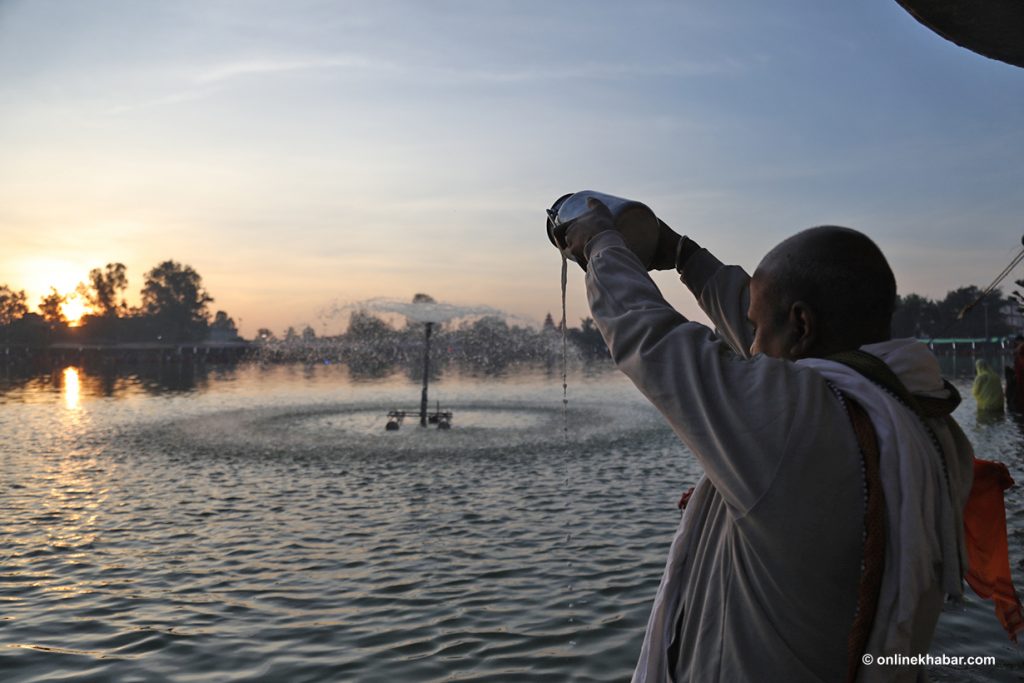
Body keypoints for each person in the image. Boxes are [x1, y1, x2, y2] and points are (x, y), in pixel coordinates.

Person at [551, 198, 974, 683]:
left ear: (802, 326)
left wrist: (601, 244)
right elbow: (768, 330)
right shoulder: (920, 417)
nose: (748, 348)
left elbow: (651, 338)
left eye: (756, 332)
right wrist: (680, 253)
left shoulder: (801, 425)